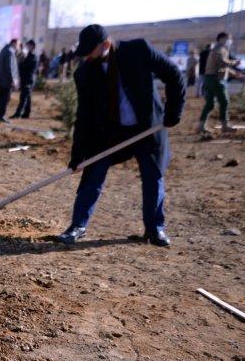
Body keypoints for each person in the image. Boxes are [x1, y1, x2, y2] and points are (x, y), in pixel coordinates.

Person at [56, 24, 185, 247]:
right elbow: (84, 116)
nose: (86, 57)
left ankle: (155, 229)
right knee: (93, 171)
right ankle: (77, 225)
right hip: (111, 132)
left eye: (90, 51)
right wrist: (78, 155)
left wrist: (174, 111)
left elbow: (174, 74)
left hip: (147, 128)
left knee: (152, 176)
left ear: (106, 44)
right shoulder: (85, 73)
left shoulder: (138, 50)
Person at [199, 32, 240, 134]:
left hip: (210, 78)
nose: (230, 41)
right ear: (222, 38)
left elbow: (221, 66)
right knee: (224, 101)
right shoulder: (219, 49)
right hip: (215, 79)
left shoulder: (220, 49)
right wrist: (235, 62)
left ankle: (201, 126)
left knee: (210, 104)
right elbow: (222, 62)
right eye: (229, 39)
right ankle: (225, 126)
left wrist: (234, 73)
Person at [0, 39, 20, 122]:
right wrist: (13, 80)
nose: (18, 46)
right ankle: (2, 115)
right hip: (7, 80)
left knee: (0, 97)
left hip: (2, 78)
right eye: (18, 44)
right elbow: (10, 68)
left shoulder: (4, 50)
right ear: (14, 43)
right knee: (5, 98)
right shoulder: (10, 52)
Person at [12, 40, 38, 119]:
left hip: (29, 79)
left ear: (32, 46)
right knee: (28, 96)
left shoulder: (33, 56)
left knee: (23, 97)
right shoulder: (27, 55)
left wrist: (20, 62)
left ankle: (18, 114)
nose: (27, 47)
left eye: (28, 46)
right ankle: (26, 113)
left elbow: (25, 66)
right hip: (25, 78)